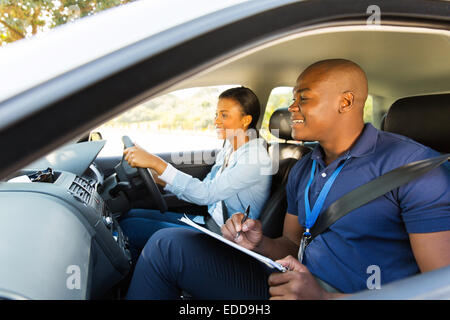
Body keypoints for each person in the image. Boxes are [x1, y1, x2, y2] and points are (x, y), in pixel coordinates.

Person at [125, 59, 450, 299]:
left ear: (346, 102)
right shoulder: (305, 167)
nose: (290, 108)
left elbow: (440, 289)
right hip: (288, 284)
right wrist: (259, 242)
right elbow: (292, 245)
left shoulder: (416, 171)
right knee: (168, 246)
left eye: (303, 98)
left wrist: (323, 298)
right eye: (292, 98)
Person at [118, 86, 272, 262]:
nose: (216, 121)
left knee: (130, 227)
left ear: (246, 120)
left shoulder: (255, 159)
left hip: (226, 239)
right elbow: (206, 185)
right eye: (216, 114)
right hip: (209, 222)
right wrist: (159, 179)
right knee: (131, 215)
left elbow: (206, 194)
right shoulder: (231, 148)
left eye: (224, 115)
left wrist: (157, 163)